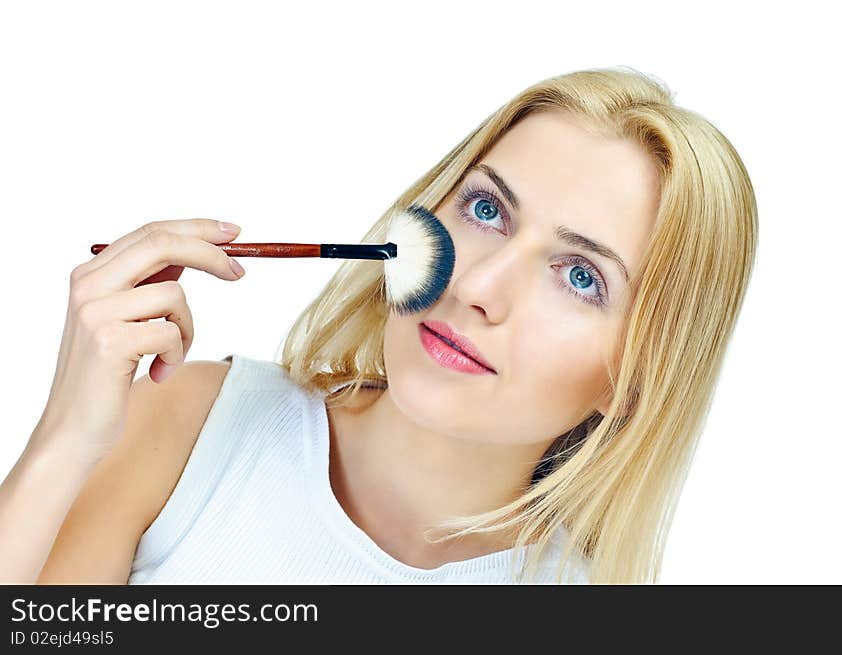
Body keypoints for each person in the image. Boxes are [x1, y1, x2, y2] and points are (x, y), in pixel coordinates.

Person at [0, 66, 757, 585]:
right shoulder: (193, 426)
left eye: (581, 276)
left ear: (635, 381)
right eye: (486, 209)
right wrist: (64, 441)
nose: (478, 286)